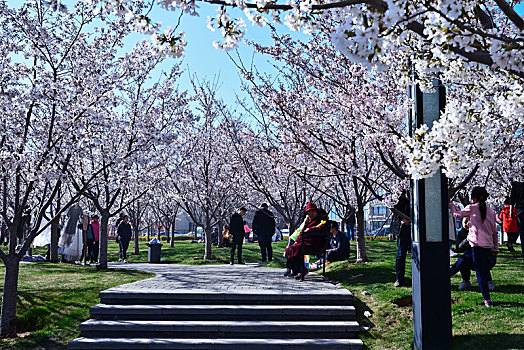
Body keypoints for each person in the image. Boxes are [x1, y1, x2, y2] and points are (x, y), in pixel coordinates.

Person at [451, 186, 498, 307]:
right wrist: (496, 248)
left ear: (473, 198)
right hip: (487, 247)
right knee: (461, 261)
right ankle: (442, 279)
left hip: (477, 247)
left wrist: (450, 204)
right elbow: (494, 232)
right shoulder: (491, 211)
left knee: (479, 272)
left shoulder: (471, 208)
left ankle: (487, 299)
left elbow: (457, 215)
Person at [449, 217, 496, 291]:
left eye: (469, 221)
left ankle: (488, 281)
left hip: (486, 258)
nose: (467, 224)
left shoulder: (481, 231)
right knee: (463, 260)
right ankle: (466, 281)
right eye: (465, 222)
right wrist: (467, 240)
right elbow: (458, 249)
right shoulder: (462, 233)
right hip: (469, 259)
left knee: (468, 257)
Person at [284, 203, 329, 279]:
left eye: (312, 211)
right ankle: (296, 271)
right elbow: (302, 232)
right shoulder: (308, 221)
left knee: (296, 249)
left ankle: (303, 270)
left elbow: (322, 229)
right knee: (289, 249)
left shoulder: (323, 220)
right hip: (305, 242)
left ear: (316, 212)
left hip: (315, 243)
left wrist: (311, 229)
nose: (310, 214)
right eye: (309, 212)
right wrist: (296, 241)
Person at [390, 190, 411, 287]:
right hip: (403, 229)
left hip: (416, 228)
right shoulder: (399, 198)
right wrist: (401, 220)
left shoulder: (418, 197)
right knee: (401, 254)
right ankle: (399, 278)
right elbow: (394, 210)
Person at [510, 167, 524, 257]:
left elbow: (512, 199)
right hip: (520, 209)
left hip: (520, 209)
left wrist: (511, 211)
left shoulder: (516, 185)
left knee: (522, 231)